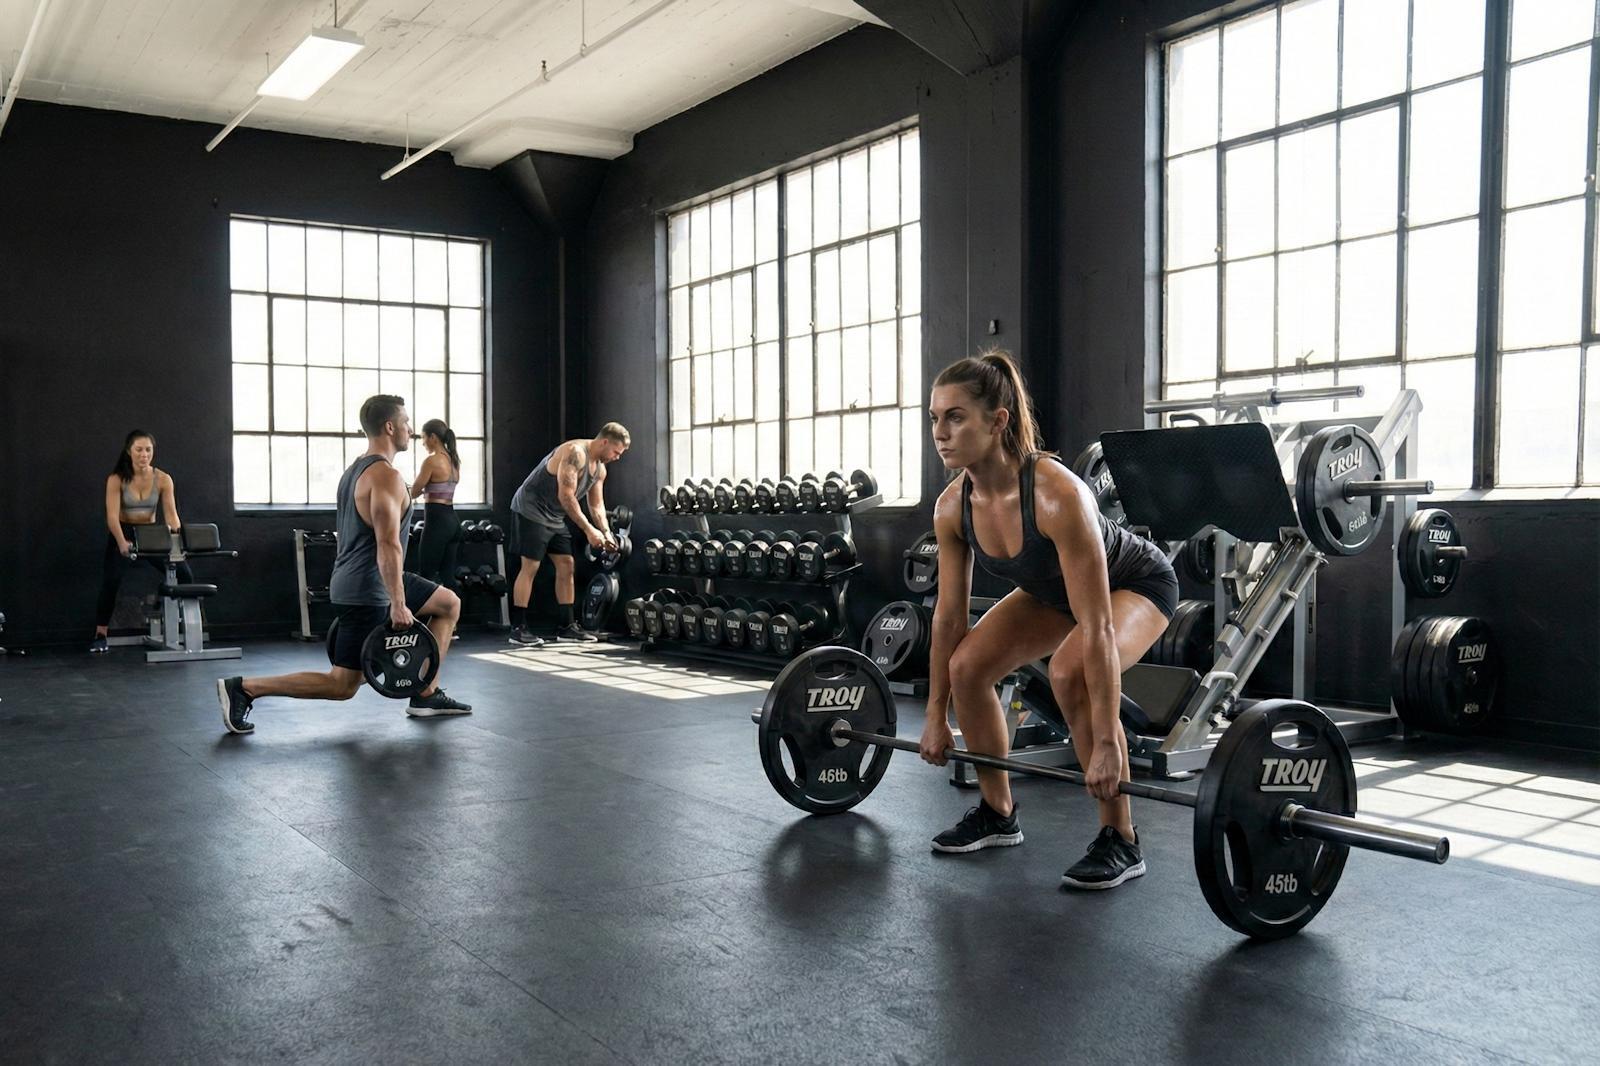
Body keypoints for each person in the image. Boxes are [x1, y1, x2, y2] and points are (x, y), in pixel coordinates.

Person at [920, 350, 1178, 890]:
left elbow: (1099, 627)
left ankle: (1122, 839)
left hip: (1134, 585)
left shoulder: (1057, 495)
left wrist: (1108, 740)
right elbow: (947, 619)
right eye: (935, 418)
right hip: (1052, 593)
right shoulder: (953, 507)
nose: (940, 432)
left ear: (998, 421)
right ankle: (997, 812)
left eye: (955, 416)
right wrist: (935, 714)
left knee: (1069, 671)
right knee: (967, 666)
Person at [216, 395, 471, 734]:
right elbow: (388, 544)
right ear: (390, 426)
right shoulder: (386, 477)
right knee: (342, 685)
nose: (411, 430)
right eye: (407, 423)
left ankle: (426, 692)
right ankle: (245, 688)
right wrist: (398, 604)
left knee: (448, 603)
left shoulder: (356, 469)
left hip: (369, 577)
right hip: (367, 588)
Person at [506, 423, 629, 646]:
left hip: (554, 515)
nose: (617, 457)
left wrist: (606, 532)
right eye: (615, 452)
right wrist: (589, 530)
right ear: (604, 442)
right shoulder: (575, 453)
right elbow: (567, 497)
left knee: (567, 565)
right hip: (530, 509)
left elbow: (596, 505)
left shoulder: (600, 468)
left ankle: (567, 626)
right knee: (530, 566)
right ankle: (518, 628)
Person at [91, 430, 193, 653]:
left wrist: (178, 543)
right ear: (129, 451)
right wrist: (121, 542)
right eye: (139, 450)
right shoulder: (116, 479)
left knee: (184, 574)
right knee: (111, 581)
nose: (144, 454)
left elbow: (172, 515)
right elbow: (111, 516)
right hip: (123, 530)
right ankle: (100, 634)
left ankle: (163, 604)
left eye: (148, 450)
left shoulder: (163, 479)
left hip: (151, 534)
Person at [409, 419, 463, 590]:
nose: (423, 443)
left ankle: (424, 617)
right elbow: (438, 489)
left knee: (426, 576)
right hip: (453, 523)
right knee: (448, 577)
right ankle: (454, 615)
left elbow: (414, 492)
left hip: (437, 525)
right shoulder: (453, 459)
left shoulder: (432, 461)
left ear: (433, 437)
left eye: (423, 438)